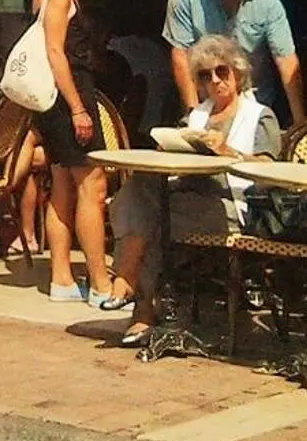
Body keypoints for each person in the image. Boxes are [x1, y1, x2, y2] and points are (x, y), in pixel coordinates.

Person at [108, 35, 281, 347]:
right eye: (204, 75)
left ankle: (134, 295)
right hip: (187, 197)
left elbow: (269, 168)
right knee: (145, 188)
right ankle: (139, 297)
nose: (214, 80)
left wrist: (228, 151)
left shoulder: (259, 115)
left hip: (231, 205)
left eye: (221, 71)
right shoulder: (197, 115)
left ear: (238, 73)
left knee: (151, 217)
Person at [30, 0, 122, 308]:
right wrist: (79, 108)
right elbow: (56, 52)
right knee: (93, 186)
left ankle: (62, 278)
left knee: (62, 185)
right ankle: (100, 283)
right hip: (68, 97)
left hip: (55, 101)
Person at [164, 0, 304, 126]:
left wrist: (300, 122)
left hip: (254, 106)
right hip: (206, 107)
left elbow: (286, 60)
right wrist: (193, 117)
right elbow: (181, 57)